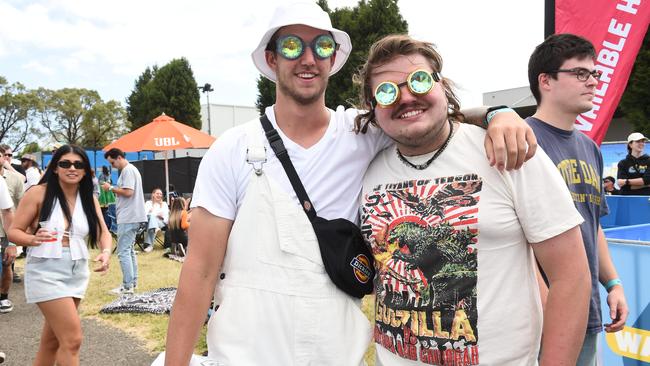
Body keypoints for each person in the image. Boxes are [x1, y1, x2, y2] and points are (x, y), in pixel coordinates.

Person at [164, 3, 537, 365]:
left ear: (333, 58)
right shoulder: (233, 148)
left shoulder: (363, 132)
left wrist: (497, 113)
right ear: (272, 59)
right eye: (292, 45)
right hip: (244, 351)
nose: (308, 58)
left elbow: (430, 114)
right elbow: (199, 272)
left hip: (336, 350)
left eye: (321, 46)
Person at [355, 33, 590, 365]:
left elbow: (572, 275)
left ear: (442, 85)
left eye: (419, 81)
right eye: (387, 91)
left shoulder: (509, 151)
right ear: (373, 106)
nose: (406, 97)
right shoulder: (365, 169)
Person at [526, 33, 628, 365]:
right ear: (546, 81)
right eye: (580, 73)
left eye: (595, 74)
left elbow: (593, 223)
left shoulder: (590, 148)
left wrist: (613, 283)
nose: (593, 82)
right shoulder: (522, 141)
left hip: (587, 313)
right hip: (537, 319)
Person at [7, 144, 112, 366]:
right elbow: (14, 231)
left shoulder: (89, 199)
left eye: (78, 164)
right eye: (65, 163)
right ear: (55, 168)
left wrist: (105, 252)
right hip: (46, 270)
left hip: (77, 270)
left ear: (85, 170)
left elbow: (104, 232)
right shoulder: (38, 193)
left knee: (52, 342)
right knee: (72, 340)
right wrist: (32, 239)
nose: (71, 168)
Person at [102, 148, 146, 295]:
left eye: (112, 162)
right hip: (133, 215)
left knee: (123, 252)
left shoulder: (127, 170)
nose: (112, 165)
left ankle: (127, 286)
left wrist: (111, 188)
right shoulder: (131, 169)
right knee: (129, 251)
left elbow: (128, 192)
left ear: (119, 157)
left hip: (129, 216)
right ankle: (132, 283)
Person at [0, 145, 23, 314]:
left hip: (7, 229)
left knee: (7, 265)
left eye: (8, 155)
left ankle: (3, 296)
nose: (7, 157)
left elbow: (15, 208)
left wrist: (14, 238)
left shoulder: (13, 179)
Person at [144, 187, 169, 253]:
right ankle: (156, 229)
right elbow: (144, 215)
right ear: (153, 194)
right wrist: (155, 214)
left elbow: (166, 217)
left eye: (161, 194)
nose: (159, 195)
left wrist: (160, 216)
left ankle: (150, 246)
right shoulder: (148, 203)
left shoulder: (164, 204)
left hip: (161, 223)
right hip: (148, 222)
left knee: (152, 221)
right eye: (157, 193)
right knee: (152, 218)